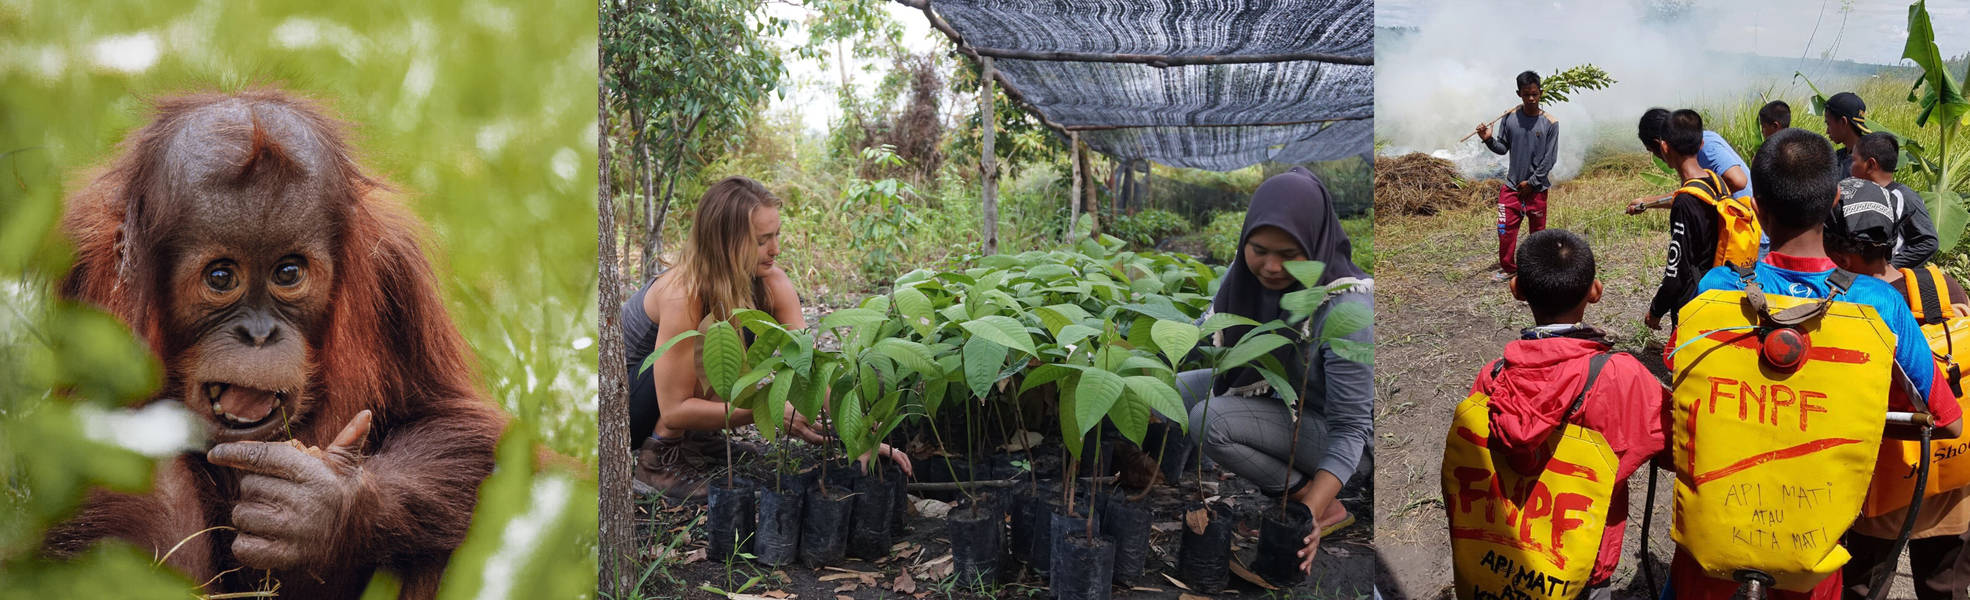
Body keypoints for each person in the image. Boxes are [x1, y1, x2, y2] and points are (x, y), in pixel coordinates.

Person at [1672, 130, 1960, 600]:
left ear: (1757, 208)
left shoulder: (1716, 288)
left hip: (1711, 545)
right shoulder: (1878, 304)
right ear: (1833, 200)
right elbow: (1945, 423)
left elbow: (1684, 390)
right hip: (1812, 550)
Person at [627, 176, 912, 500]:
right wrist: (770, 409)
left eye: (776, 235)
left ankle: (696, 439)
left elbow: (810, 365)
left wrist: (859, 436)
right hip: (629, 405)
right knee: (713, 337)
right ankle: (657, 460)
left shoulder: (771, 283)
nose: (776, 249)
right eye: (762, 240)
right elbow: (674, 408)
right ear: (725, 243)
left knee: (736, 330)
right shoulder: (683, 294)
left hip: (671, 396)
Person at [1170, 167, 1373, 576]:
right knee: (1171, 391)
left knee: (1210, 421)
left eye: (1290, 254)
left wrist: (1307, 517)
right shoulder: (1241, 279)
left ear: (1315, 243)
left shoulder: (1346, 307)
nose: (1271, 266)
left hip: (1341, 439)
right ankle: (1299, 489)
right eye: (1259, 248)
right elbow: (1200, 335)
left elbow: (1352, 429)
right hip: (1282, 404)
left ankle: (1318, 502)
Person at [1470, 229, 1666, 600]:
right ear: (1595, 290)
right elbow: (1671, 444)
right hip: (1584, 554)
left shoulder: (1493, 378)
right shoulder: (1622, 375)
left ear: (1517, 289)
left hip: (1508, 552)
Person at [1823, 178, 1970, 600]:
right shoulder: (1940, 286)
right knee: (1946, 585)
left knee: (1864, 584)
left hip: (1882, 484)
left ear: (1842, 251)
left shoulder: (1847, 308)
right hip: (1952, 477)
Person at [1636, 109, 1728, 331]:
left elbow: (1676, 271)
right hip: (1720, 287)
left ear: (1665, 147)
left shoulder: (1686, 200)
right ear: (1701, 143)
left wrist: (1656, 311)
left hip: (1693, 300)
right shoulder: (1717, 182)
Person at [1476, 70, 1560, 282]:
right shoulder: (1509, 118)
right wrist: (1488, 140)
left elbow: (1549, 159)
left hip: (1537, 189)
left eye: (1534, 94)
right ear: (1519, 94)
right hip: (1512, 187)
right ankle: (1509, 268)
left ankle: (1537, 267)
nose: (1531, 99)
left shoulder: (1550, 123)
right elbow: (1502, 148)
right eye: (1526, 94)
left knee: (1537, 233)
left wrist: (1532, 183)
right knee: (1504, 229)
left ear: (1540, 93)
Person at [1627, 109, 1754, 210]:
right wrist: (1646, 203)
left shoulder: (1706, 144)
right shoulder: (1689, 150)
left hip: (1746, 233)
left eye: (1652, 150)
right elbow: (1693, 194)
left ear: (1661, 145)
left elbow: (1738, 181)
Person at [1851, 131, 1940, 269]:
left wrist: (1890, 268)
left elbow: (1928, 242)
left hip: (1886, 282)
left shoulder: (1903, 197)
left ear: (1870, 164)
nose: (1850, 167)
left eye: (1853, 160)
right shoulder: (1859, 195)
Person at [1826, 92, 1870, 175]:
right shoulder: (1839, 155)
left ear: (1843, 122)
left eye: (1828, 124)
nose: (1827, 131)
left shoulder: (1865, 162)